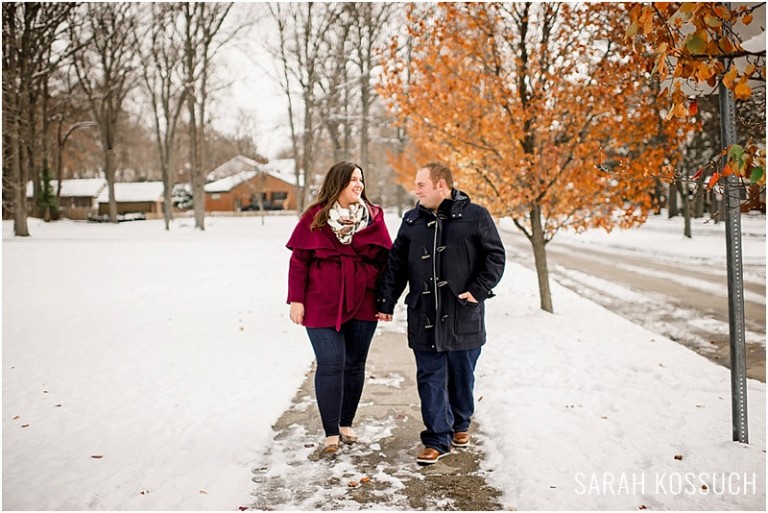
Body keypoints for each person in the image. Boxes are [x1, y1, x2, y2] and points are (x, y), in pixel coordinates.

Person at [377, 162, 505, 465]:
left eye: (421, 185)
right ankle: (436, 438)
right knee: (430, 378)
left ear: (441, 186)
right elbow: (396, 265)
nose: (416, 190)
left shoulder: (476, 216)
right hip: (424, 315)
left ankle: (461, 422)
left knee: (462, 377)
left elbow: (495, 257)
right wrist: (386, 302)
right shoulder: (411, 220)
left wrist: (478, 290)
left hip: (463, 314)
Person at [286, 161, 392, 457]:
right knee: (331, 362)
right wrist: (297, 299)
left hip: (364, 299)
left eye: (361, 179)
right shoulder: (315, 217)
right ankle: (331, 431)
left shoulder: (374, 217)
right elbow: (299, 261)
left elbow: (387, 263)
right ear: (338, 183)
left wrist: (385, 302)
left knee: (355, 363)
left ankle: (346, 423)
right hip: (321, 302)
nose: (358, 184)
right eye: (352, 180)